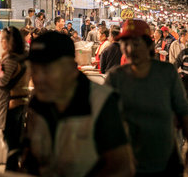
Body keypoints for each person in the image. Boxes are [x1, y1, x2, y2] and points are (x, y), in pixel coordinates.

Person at [21, 32, 135, 176]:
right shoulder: (37, 103)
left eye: (47, 69)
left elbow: (122, 167)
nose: (39, 78)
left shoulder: (101, 102)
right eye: (34, 70)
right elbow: (30, 156)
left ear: (70, 67)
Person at [105, 19, 188, 176]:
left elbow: (184, 112)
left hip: (165, 158)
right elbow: (105, 120)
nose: (128, 49)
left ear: (149, 46)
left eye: (135, 44)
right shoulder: (115, 77)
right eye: (124, 43)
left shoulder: (166, 73)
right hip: (128, 162)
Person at [0, 26, 30, 171]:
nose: (1, 42)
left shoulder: (11, 59)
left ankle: (11, 171)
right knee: (15, 139)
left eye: (3, 39)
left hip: (11, 103)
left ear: (10, 41)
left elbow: (3, 81)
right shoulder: (24, 56)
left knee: (11, 141)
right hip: (20, 101)